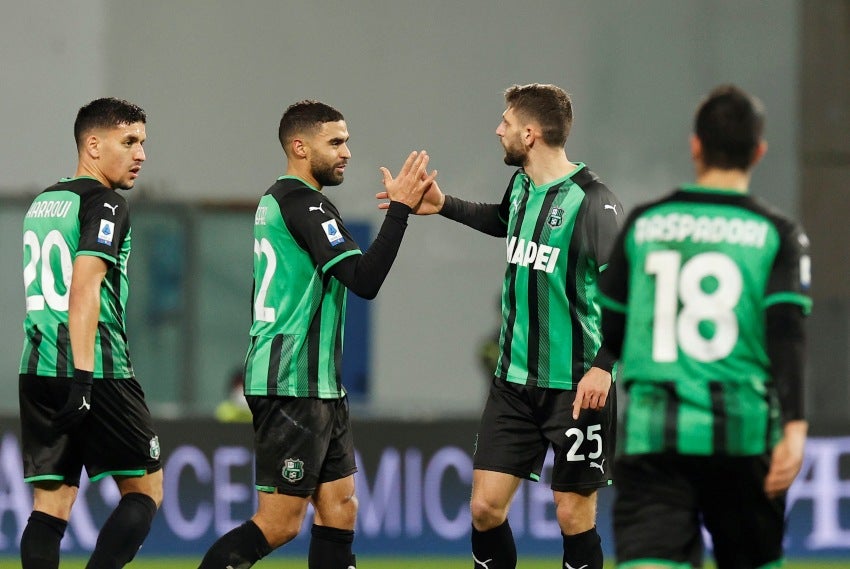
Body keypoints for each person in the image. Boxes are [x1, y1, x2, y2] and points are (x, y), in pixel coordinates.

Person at [380, 83, 623, 569]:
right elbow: (502, 219)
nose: (499, 130)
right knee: (485, 508)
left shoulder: (594, 201)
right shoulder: (522, 188)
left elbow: (628, 291)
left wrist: (604, 367)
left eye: (506, 123)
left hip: (576, 387)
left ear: (530, 134)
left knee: (573, 514)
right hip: (513, 384)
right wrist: (444, 204)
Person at [196, 100, 436, 569]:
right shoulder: (306, 205)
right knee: (281, 521)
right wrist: (401, 210)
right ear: (300, 147)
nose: (346, 152)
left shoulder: (278, 200)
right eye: (336, 142)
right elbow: (364, 280)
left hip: (317, 383)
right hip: (292, 382)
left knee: (340, 508)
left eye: (346, 141)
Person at [598, 85, 811, 568]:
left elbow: (608, 329)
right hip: (744, 438)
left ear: (695, 145)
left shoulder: (645, 224)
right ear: (758, 151)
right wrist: (794, 430)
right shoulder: (777, 234)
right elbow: (786, 333)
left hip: (654, 440)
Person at [18, 97, 163, 569]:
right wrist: (83, 379)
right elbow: (84, 290)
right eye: (130, 141)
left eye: (143, 142)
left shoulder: (44, 201)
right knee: (146, 491)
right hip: (95, 367)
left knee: (51, 506)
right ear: (93, 145)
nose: (141, 153)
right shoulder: (105, 203)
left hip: (37, 367)